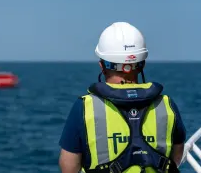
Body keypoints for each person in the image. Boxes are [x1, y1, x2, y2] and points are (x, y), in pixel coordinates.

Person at [58, 22, 186, 173]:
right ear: (142, 65)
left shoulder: (84, 107)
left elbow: (69, 167)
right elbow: (176, 157)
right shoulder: (166, 105)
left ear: (101, 65)